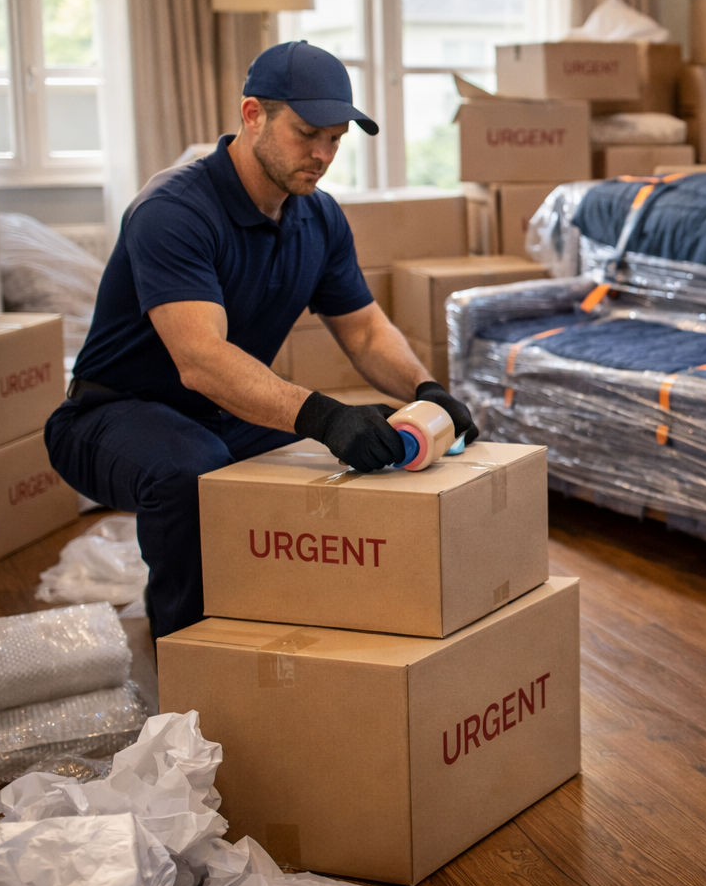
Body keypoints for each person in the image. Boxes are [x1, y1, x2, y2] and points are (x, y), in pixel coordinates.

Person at [46, 41, 479, 640]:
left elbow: (365, 329)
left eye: (335, 139)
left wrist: (427, 390)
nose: (323, 154)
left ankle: (309, 623)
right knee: (191, 470)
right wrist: (324, 416)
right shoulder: (174, 211)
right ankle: (190, 658)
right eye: (307, 134)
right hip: (110, 414)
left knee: (371, 441)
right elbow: (200, 359)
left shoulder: (318, 216)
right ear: (253, 116)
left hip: (223, 412)